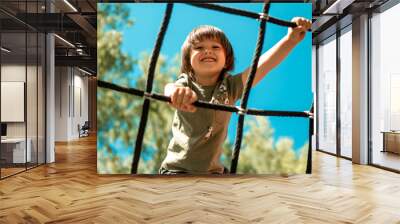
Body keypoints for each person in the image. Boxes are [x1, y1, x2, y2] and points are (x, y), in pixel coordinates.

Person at [159, 17, 312, 175]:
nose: (208, 50)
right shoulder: (186, 82)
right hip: (177, 170)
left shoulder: (230, 87)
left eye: (215, 46)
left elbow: (261, 67)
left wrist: (290, 40)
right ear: (188, 61)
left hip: (213, 173)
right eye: (199, 47)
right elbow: (170, 87)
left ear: (226, 61)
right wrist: (175, 93)